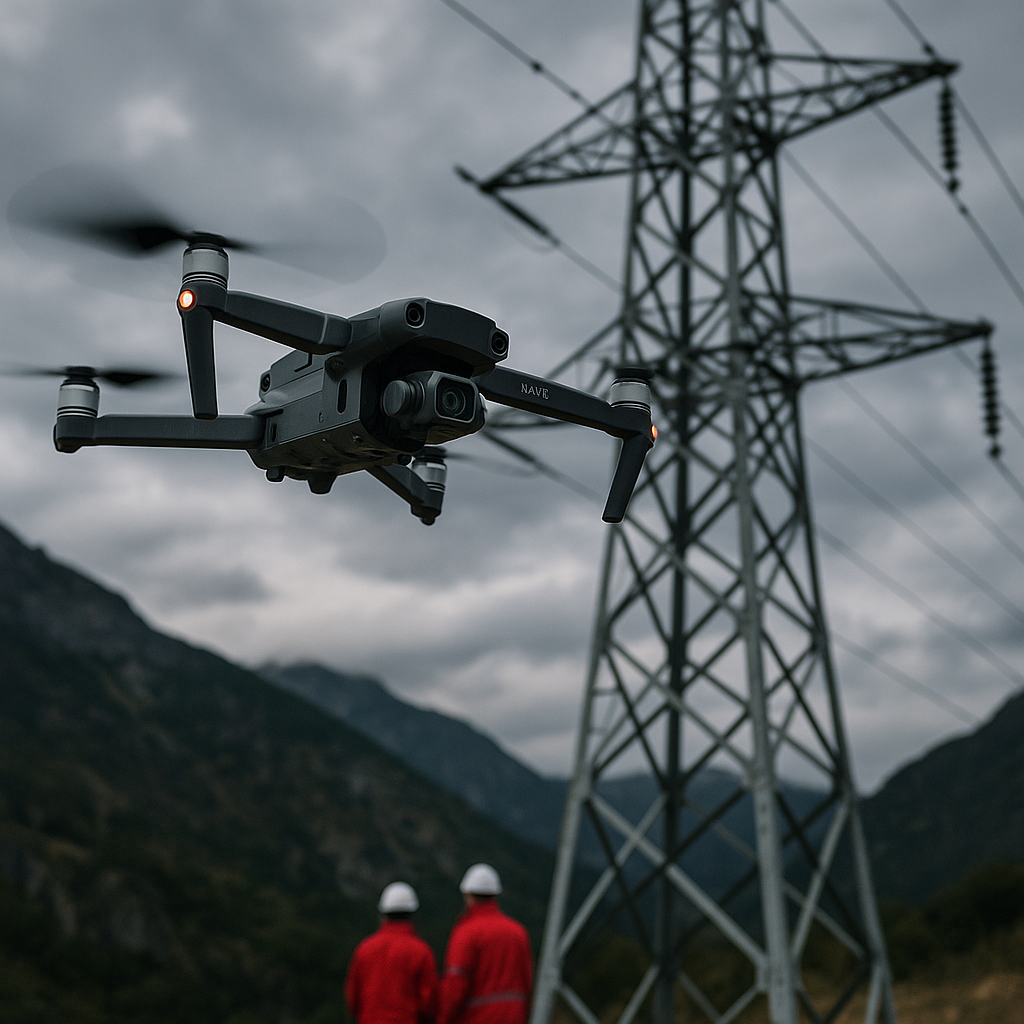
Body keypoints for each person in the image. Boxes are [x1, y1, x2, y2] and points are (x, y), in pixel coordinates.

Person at [437, 864, 533, 1024]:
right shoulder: (518, 932)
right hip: (515, 1017)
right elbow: (527, 982)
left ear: (467, 895)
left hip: (477, 1018)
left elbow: (455, 983)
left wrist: (443, 1019)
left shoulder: (466, 932)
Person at [346, 881, 439, 1024]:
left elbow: (353, 999)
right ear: (412, 914)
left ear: (383, 914)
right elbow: (428, 1002)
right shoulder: (421, 951)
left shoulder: (364, 949)